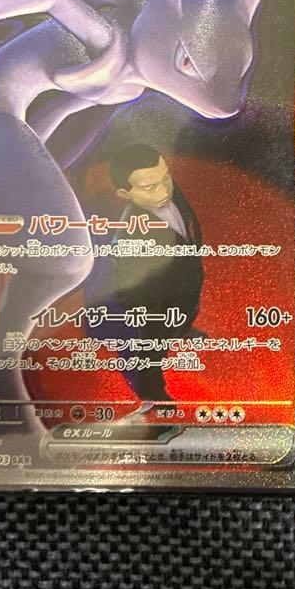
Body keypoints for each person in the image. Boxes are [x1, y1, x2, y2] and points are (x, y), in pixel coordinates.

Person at [101, 143, 205, 405]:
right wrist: (147, 316)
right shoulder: (130, 234)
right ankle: (151, 391)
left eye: (166, 177)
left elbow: (186, 221)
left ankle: (183, 330)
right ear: (125, 193)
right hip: (154, 303)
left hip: (185, 280)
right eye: (149, 187)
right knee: (153, 348)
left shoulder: (170, 190)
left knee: (187, 310)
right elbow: (128, 283)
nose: (164, 190)